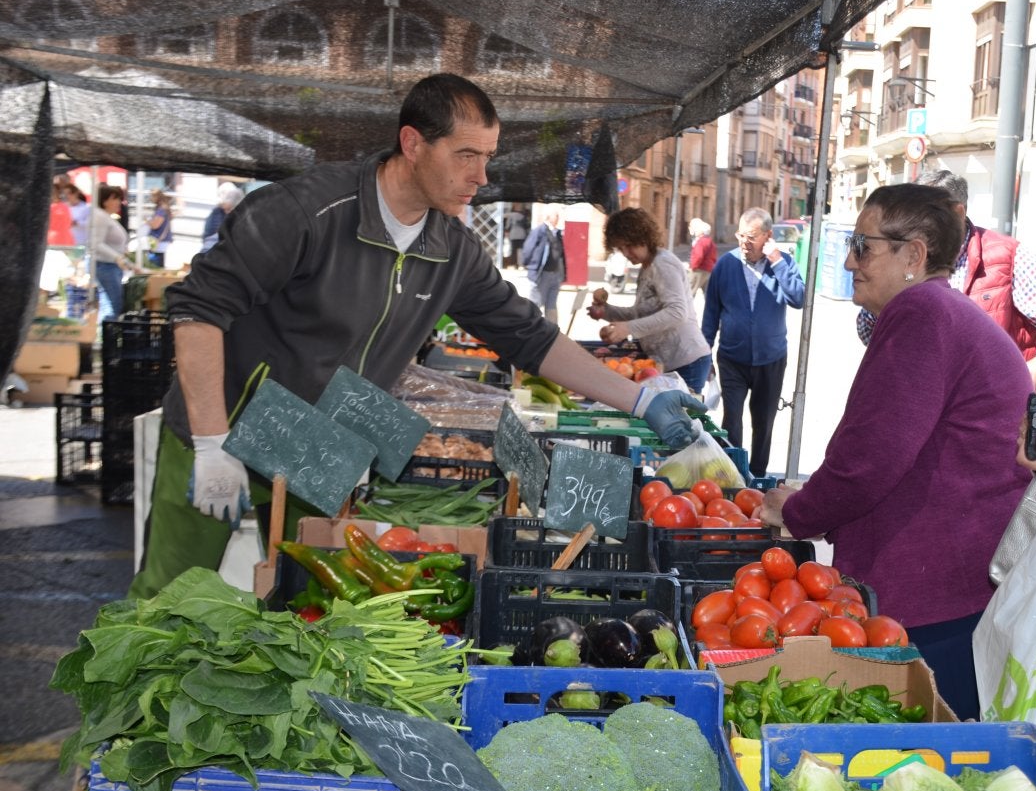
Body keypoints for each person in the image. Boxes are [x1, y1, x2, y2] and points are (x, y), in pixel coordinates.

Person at [128, 73, 703, 599]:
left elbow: (530, 337)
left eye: (488, 157)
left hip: (318, 449)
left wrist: (640, 398)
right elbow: (198, 310)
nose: (481, 176)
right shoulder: (307, 212)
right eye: (466, 156)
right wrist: (209, 441)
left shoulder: (450, 250)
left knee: (297, 605)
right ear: (412, 144)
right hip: (225, 427)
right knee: (170, 604)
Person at [758, 185, 1031, 721]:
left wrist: (796, 512)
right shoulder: (936, 309)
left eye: (864, 245)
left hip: (939, 585)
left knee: (927, 745)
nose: (849, 260)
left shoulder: (923, 312)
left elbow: (871, 454)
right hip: (954, 575)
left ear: (914, 254)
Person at [855, 168, 1036, 394]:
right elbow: (868, 332)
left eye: (922, 217)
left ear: (958, 213)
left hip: (994, 411)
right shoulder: (909, 256)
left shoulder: (1006, 256)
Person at [702, 207, 805, 478]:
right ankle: (734, 475)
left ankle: (757, 476)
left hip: (771, 358)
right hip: (732, 358)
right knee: (731, 420)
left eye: (751, 237)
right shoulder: (726, 264)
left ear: (767, 236)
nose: (743, 243)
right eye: (740, 236)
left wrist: (776, 260)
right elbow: (711, 313)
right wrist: (705, 356)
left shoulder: (782, 263)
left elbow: (798, 298)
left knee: (764, 422)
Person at [588, 207, 712, 392]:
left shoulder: (662, 264)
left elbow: (677, 312)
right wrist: (606, 311)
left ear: (644, 237)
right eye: (621, 248)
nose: (626, 253)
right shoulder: (647, 266)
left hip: (686, 362)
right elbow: (640, 312)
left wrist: (627, 328)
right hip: (667, 361)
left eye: (629, 245)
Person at [90, 184, 140, 322]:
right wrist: (118, 257)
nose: (119, 202)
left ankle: (105, 335)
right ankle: (105, 337)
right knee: (112, 305)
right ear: (105, 200)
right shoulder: (100, 216)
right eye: (115, 198)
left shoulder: (106, 216)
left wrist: (126, 262)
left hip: (110, 265)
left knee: (112, 303)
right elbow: (96, 243)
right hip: (105, 265)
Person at [522, 206, 567, 323]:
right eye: (556, 215)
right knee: (536, 303)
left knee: (551, 305)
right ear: (548, 217)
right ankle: (530, 328)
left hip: (555, 274)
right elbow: (528, 249)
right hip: (542, 273)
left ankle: (552, 331)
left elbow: (561, 255)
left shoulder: (557, 233)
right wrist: (529, 265)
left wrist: (563, 274)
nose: (558, 218)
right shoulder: (540, 231)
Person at [201, 182, 245, 253]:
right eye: (225, 209)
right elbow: (209, 234)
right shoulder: (216, 213)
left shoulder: (243, 216)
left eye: (229, 209)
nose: (227, 212)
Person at [688, 217, 717, 299]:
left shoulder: (701, 242)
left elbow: (698, 256)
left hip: (699, 270)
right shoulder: (709, 241)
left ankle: (687, 311)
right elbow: (714, 256)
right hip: (708, 269)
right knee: (707, 294)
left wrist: (693, 267)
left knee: (689, 292)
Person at [145, 189, 174, 268]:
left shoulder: (161, 209)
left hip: (158, 241)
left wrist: (147, 221)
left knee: (155, 266)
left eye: (152, 196)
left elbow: (155, 225)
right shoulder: (164, 208)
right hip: (160, 242)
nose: (151, 199)